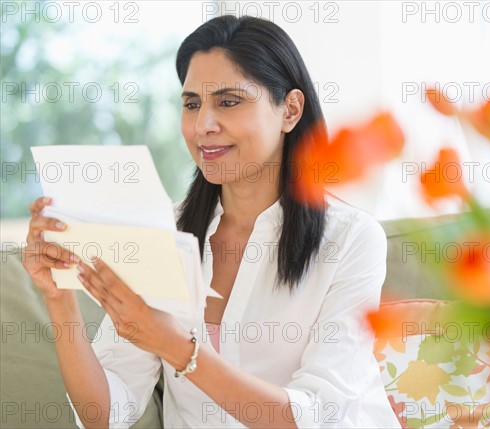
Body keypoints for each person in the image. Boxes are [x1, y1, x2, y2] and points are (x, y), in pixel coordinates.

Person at [23, 15, 401, 429]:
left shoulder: (351, 239)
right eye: (191, 104)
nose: (203, 126)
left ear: (290, 110)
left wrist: (180, 349)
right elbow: (104, 414)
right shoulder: (160, 234)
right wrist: (60, 301)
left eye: (229, 101)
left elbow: (314, 416)